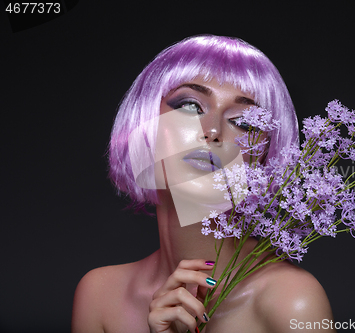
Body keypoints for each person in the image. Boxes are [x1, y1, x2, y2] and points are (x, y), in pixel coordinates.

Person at [72, 35, 334, 333]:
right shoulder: (101, 295)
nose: (212, 131)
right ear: (145, 122)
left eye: (244, 122)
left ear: (264, 155)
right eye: (190, 106)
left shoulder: (291, 302)